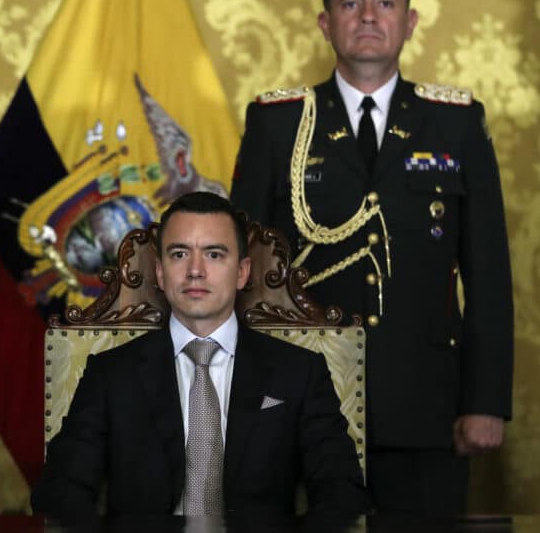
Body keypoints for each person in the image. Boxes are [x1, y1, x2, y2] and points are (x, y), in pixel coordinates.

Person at [229, 0, 512, 515]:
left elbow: (489, 275)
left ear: (409, 21)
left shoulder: (455, 121)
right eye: (350, 3)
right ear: (325, 23)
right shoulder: (279, 121)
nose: (367, 17)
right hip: (300, 407)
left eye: (385, 2)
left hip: (425, 405)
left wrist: (484, 403)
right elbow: (244, 269)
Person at [31, 191, 368, 519]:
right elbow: (60, 491)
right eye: (179, 254)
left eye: (214, 254)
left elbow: (343, 492)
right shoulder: (110, 375)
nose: (195, 270)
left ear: (242, 272)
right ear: (160, 273)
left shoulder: (298, 372)